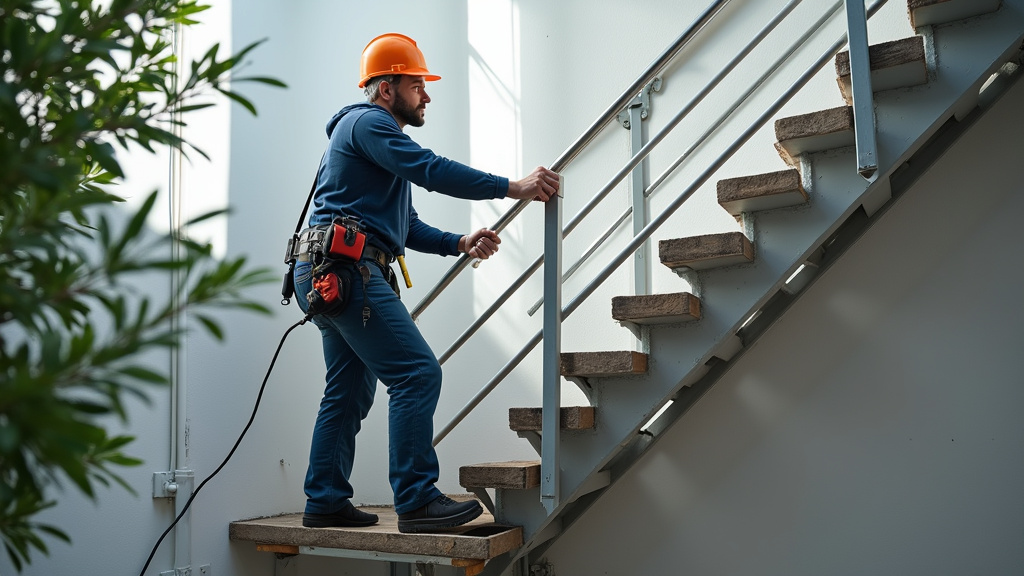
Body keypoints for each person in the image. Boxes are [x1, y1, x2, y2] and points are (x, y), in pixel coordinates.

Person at [291, 32, 560, 533]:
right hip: (346, 270)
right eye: (418, 85)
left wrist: (459, 242)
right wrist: (512, 187)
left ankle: (325, 500)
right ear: (387, 87)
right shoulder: (367, 122)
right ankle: (416, 500)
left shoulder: (375, 145)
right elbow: (431, 169)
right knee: (417, 374)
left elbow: (405, 225)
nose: (427, 96)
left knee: (348, 391)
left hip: (332, 269)